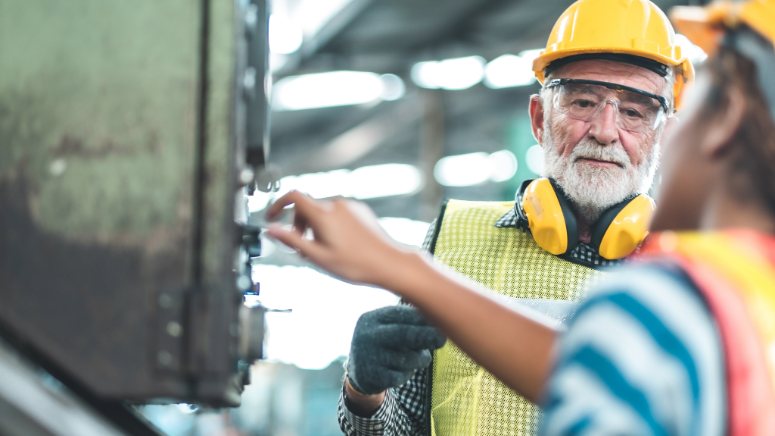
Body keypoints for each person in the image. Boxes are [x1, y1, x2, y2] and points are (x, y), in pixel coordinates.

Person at [268, 0, 775, 433]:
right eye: (583, 101)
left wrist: (396, 263)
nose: (605, 130)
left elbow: (586, 370)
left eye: (637, 112)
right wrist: (364, 396)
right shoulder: (453, 238)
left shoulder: (676, 290)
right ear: (538, 119)